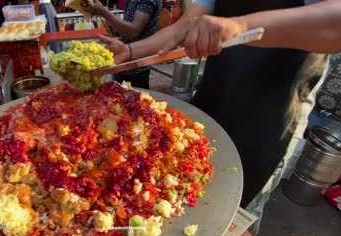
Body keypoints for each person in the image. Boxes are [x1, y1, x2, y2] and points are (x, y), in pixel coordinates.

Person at [98, 0, 341, 210]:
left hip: (272, 116)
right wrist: (129, 51)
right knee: (188, 189)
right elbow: (185, 26)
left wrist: (240, 26)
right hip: (216, 96)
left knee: (236, 210)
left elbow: (335, 25)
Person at [84, 0, 162, 89]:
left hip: (136, 66)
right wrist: (113, 29)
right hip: (124, 62)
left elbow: (134, 31)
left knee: (137, 98)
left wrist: (104, 12)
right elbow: (127, 28)